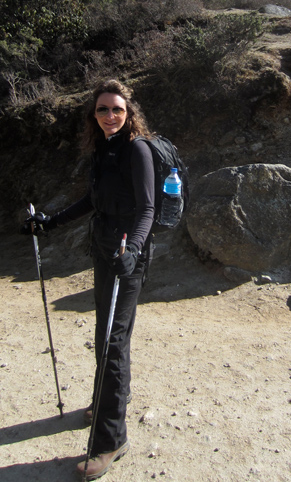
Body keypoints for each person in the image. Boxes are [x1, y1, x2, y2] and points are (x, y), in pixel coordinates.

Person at [22, 78, 155, 480]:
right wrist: (51, 222)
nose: (110, 115)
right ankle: (107, 403)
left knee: (113, 342)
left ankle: (111, 440)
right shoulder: (103, 149)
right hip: (104, 252)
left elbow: (147, 208)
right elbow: (93, 201)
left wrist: (133, 251)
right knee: (106, 335)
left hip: (127, 257)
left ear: (129, 112)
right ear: (93, 115)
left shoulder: (137, 149)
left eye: (117, 109)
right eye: (102, 109)